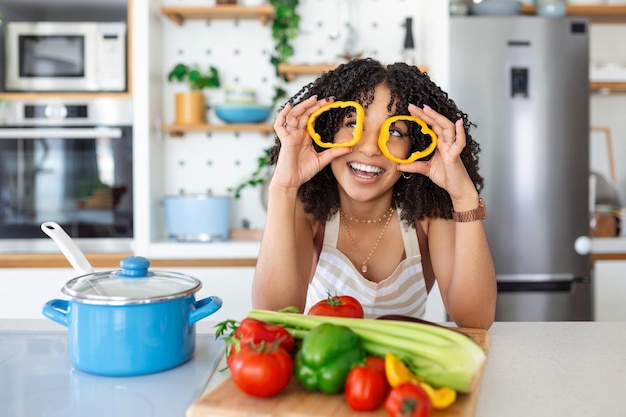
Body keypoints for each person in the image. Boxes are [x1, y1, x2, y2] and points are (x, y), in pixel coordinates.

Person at [252, 58, 496, 330]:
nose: (369, 148)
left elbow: (475, 322)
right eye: (351, 123)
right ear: (326, 130)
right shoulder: (308, 212)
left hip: (401, 369)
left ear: (417, 145)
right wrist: (282, 188)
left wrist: (464, 198)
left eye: (394, 131)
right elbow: (273, 321)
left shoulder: (428, 214)